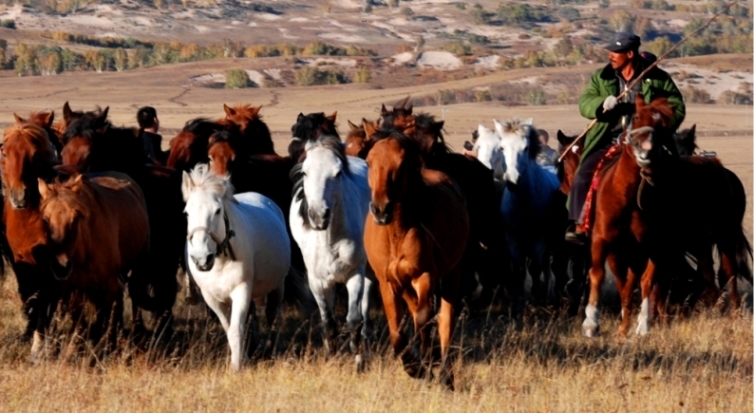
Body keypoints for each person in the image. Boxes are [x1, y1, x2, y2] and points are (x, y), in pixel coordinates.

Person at [565, 32, 685, 245]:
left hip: (649, 142)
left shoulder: (657, 78)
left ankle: (678, 225)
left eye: (616, 52)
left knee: (675, 178)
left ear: (629, 54)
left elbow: (677, 106)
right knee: (583, 175)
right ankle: (579, 224)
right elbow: (585, 102)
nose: (611, 55)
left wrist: (657, 126)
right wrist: (601, 104)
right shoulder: (601, 78)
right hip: (609, 140)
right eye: (610, 51)